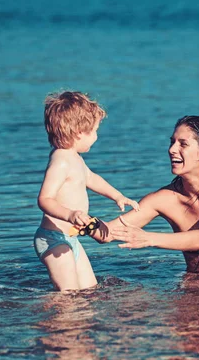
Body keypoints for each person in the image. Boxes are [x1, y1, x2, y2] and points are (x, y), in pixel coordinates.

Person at [92, 116, 199, 275]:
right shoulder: (163, 199)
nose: (172, 149)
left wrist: (149, 239)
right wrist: (77, 221)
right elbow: (107, 233)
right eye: (172, 142)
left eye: (183, 144)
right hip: (194, 289)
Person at [34, 91, 139, 291]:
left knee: (90, 290)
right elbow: (44, 199)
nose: (96, 136)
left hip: (70, 239)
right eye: (95, 131)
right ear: (79, 132)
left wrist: (117, 195)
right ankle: (49, 316)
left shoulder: (75, 158)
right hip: (53, 239)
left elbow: (91, 178)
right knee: (69, 295)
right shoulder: (61, 161)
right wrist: (70, 214)